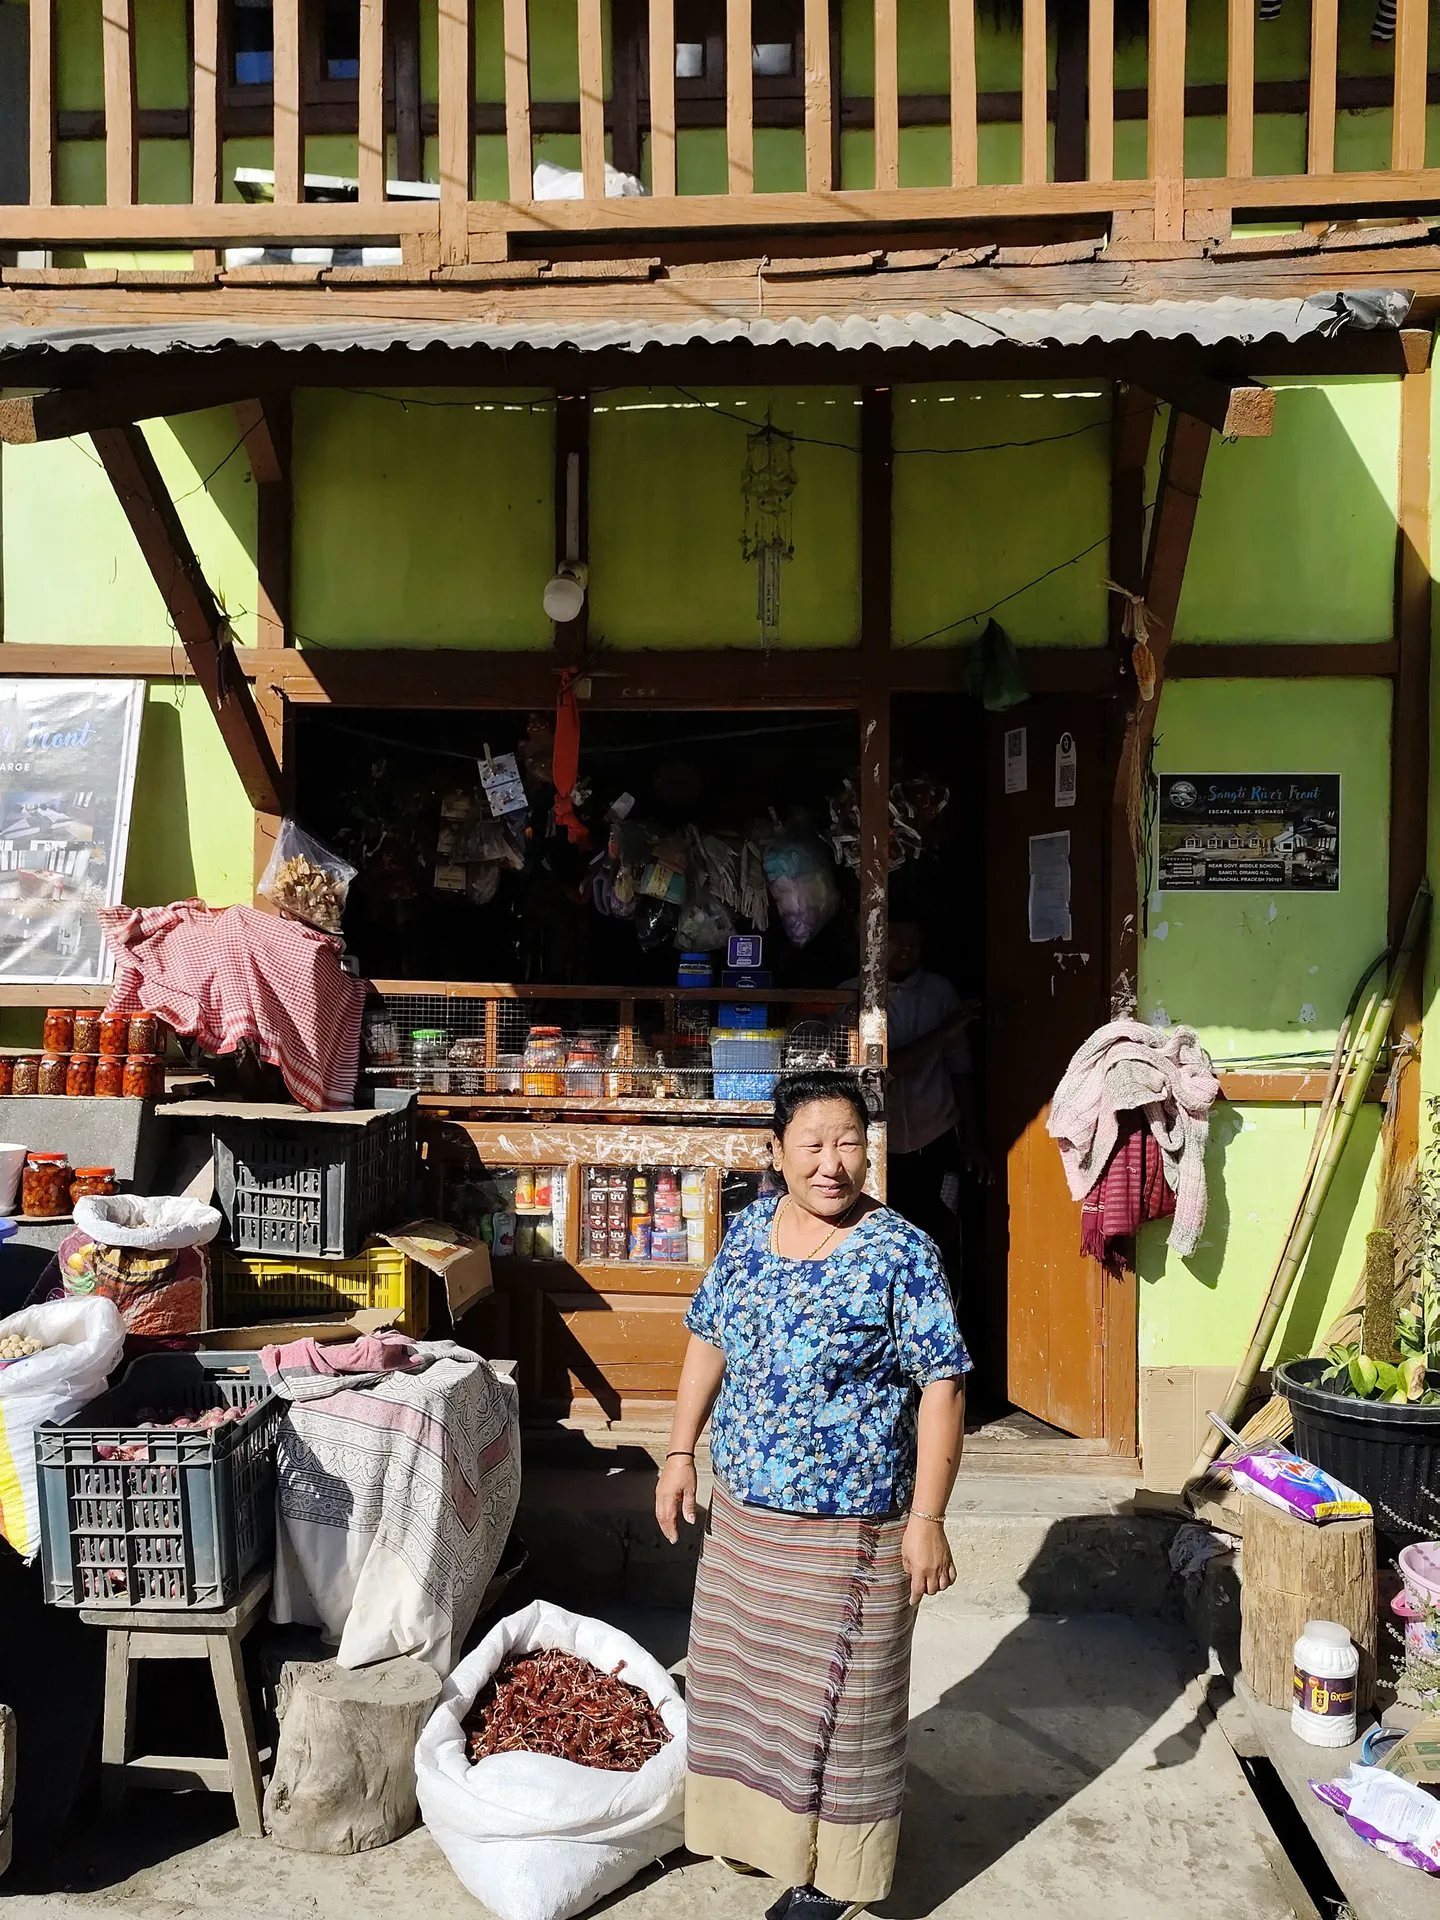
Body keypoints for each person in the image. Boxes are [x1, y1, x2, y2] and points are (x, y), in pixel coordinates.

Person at [656, 1070, 971, 1920]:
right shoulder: (751, 1229)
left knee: (847, 1703)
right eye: (814, 1145)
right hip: (749, 1515)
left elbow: (943, 1384)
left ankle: (837, 1875)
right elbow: (707, 1340)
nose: (834, 1164)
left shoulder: (902, 1251)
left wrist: (928, 1520)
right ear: (776, 1154)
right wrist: (680, 1451)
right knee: (750, 1687)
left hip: (856, 1522)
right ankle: (767, 1837)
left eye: (850, 1145)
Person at [871, 918, 989, 1262]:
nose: (906, 948)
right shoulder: (855, 993)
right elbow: (884, 1071)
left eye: (914, 941)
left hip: (935, 1137)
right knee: (885, 1242)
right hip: (880, 1144)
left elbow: (960, 1068)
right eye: (895, 939)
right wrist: (944, 1032)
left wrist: (972, 1140)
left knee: (941, 1237)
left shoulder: (939, 992)